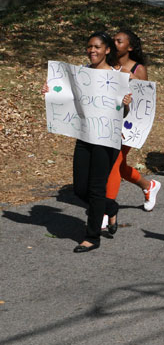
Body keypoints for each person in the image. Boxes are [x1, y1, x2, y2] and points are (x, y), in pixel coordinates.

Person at [45, 32, 122, 253]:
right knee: (80, 189)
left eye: (97, 47)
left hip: (106, 139)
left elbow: (125, 112)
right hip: (84, 136)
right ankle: (111, 207)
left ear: (107, 50)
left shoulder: (118, 75)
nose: (92, 51)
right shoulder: (80, 73)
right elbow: (66, 98)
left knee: (96, 189)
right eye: (89, 47)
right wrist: (50, 92)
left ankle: (92, 237)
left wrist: (125, 102)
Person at [104, 30, 161, 228]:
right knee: (117, 166)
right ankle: (148, 185)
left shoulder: (138, 70)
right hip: (107, 122)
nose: (114, 43)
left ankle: (106, 211)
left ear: (129, 47)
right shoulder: (108, 65)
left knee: (113, 164)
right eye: (113, 40)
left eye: (119, 41)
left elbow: (143, 104)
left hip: (127, 126)